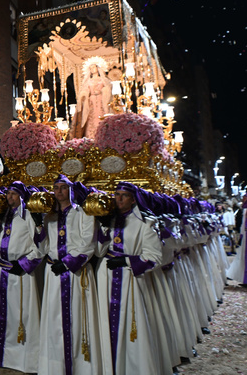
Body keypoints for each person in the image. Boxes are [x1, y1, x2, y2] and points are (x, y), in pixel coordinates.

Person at [37, 175, 106, 375]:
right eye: (55, 188)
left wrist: (68, 263)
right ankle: (55, 365)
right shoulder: (49, 217)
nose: (58, 192)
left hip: (77, 274)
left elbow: (88, 243)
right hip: (54, 275)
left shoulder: (83, 214)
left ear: (70, 190)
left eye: (63, 188)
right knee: (54, 319)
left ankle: (81, 366)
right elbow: (43, 248)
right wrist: (39, 227)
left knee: (78, 319)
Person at [95, 182, 164, 375]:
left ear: (133, 199)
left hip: (130, 279)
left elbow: (154, 257)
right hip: (106, 277)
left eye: (123, 195)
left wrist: (126, 262)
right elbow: (99, 251)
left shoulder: (146, 223)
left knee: (132, 326)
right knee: (104, 322)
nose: (118, 199)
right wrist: (101, 231)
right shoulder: (109, 219)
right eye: (116, 194)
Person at [0, 182, 44, 371]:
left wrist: (26, 263)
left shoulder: (28, 216)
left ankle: (24, 359)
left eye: (13, 194)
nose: (9, 197)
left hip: (19, 272)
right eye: (7, 193)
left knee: (21, 315)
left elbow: (40, 246)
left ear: (21, 197)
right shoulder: (3, 214)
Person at [72, 59, 112, 139]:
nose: (92, 69)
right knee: (91, 118)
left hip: (101, 100)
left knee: (101, 115)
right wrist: (84, 94)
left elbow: (108, 89)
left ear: (98, 68)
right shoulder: (88, 81)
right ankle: (91, 136)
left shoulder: (103, 80)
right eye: (91, 68)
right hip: (91, 101)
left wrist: (104, 91)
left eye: (94, 67)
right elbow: (85, 90)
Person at [227, 193, 247, 285]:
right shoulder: (245, 210)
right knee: (243, 257)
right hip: (246, 236)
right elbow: (243, 224)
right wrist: (241, 235)